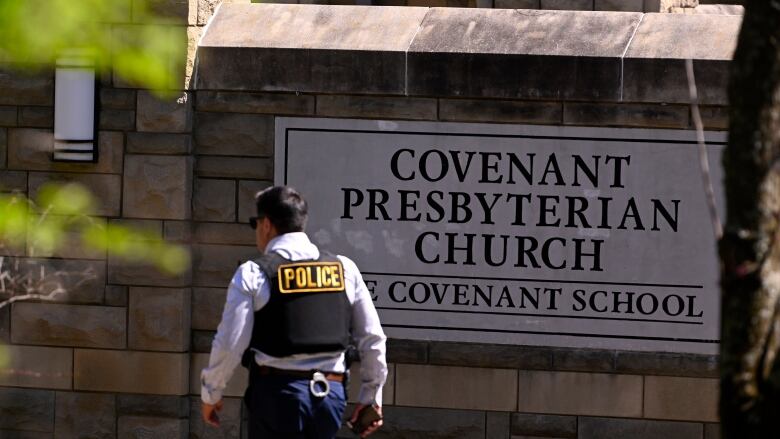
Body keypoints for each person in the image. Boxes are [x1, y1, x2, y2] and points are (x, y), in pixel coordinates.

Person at [200, 186, 388, 439]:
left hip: (278, 396)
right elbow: (372, 338)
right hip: (330, 396)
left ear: (266, 224)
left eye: (255, 224)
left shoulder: (254, 273)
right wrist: (371, 397)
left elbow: (230, 342)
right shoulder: (345, 269)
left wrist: (211, 392)